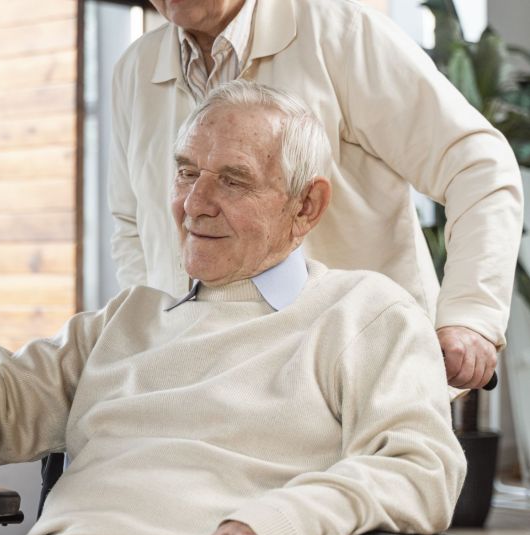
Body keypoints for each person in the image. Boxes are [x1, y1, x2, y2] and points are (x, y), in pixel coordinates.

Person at [0, 82, 467, 535]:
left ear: (306, 206)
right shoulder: (128, 318)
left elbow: (422, 468)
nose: (195, 204)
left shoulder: (363, 314)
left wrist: (277, 522)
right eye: (186, 172)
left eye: (233, 181)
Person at [109, 0, 523, 390]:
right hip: (207, 386)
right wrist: (156, 337)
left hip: (360, 378)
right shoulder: (135, 68)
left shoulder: (341, 34)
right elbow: (132, 224)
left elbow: (477, 165)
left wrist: (470, 315)